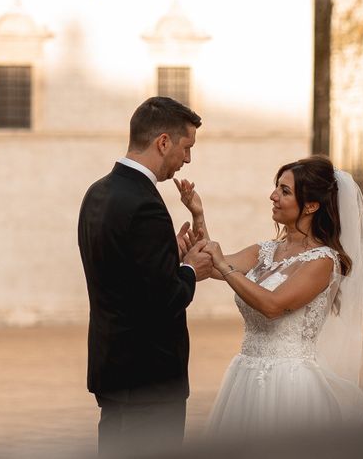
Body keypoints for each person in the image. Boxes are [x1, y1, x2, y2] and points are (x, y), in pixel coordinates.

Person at [174, 154, 363, 437]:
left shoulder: (323, 261)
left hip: (290, 383)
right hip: (246, 374)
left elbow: (272, 306)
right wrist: (198, 214)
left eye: (284, 191)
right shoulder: (266, 251)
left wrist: (222, 265)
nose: (273, 196)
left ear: (311, 205)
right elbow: (213, 264)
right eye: (277, 187)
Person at [77, 96, 215, 456]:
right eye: (186, 148)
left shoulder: (98, 192)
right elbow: (165, 298)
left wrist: (171, 258)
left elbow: (121, 272)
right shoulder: (145, 203)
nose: (188, 159)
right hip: (150, 377)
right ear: (163, 142)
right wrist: (189, 269)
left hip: (112, 368)